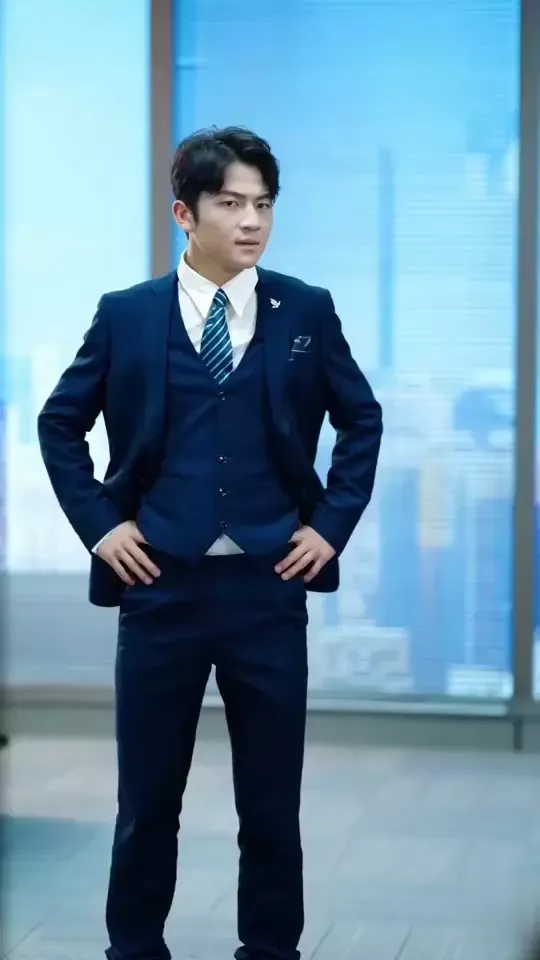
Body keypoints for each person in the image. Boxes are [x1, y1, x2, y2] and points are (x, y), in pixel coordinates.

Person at [37, 127, 383, 960]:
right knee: (147, 803)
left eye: (263, 204)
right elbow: (59, 424)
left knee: (271, 807)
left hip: (268, 588)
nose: (252, 221)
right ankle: (134, 950)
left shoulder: (305, 309)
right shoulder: (127, 315)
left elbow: (361, 419)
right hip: (160, 588)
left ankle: (270, 952)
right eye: (231, 203)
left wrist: (329, 527)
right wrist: (102, 527)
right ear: (184, 214)